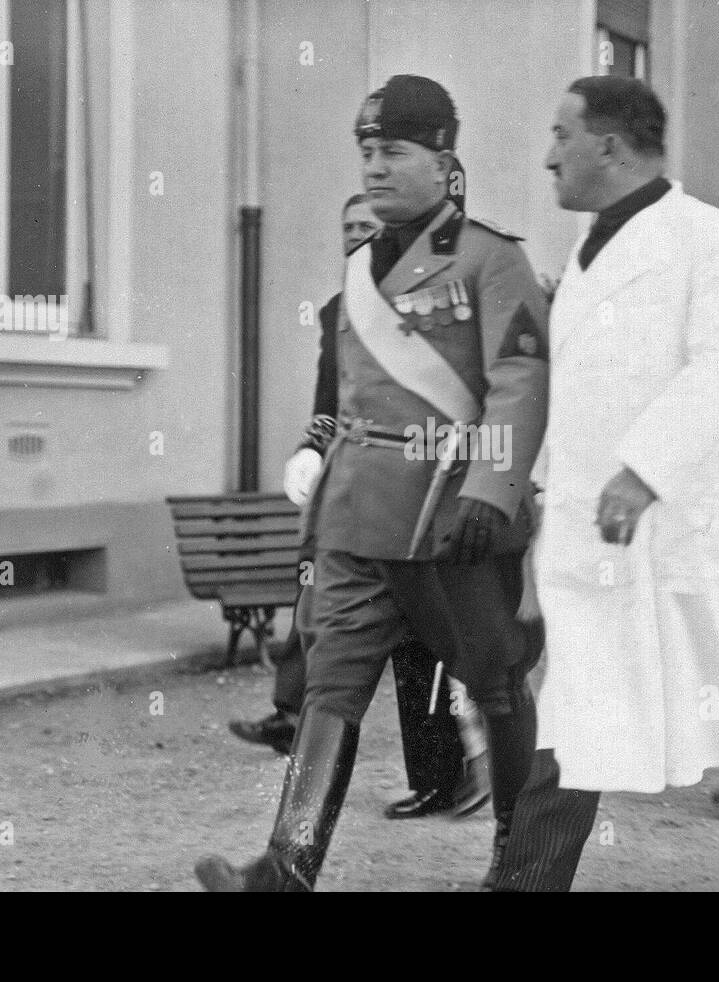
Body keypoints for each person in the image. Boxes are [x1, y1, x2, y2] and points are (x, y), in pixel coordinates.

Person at [490, 76, 719, 893]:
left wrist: (645, 472)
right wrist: (545, 504)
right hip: (601, 538)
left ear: (608, 146)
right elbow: (578, 402)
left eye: (560, 134)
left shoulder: (713, 240)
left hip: (703, 534)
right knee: (576, 725)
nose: (548, 157)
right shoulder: (586, 257)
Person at [195, 75, 548, 892]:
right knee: (331, 687)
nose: (376, 166)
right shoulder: (357, 272)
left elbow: (520, 382)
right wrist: (320, 479)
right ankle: (287, 866)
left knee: (495, 683)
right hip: (359, 519)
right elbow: (348, 402)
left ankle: (519, 858)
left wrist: (491, 493)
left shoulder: (493, 260)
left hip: (449, 516)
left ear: (443, 161)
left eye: (394, 150)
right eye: (367, 151)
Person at [229, 192, 487, 821]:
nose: (356, 240)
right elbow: (331, 403)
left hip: (429, 497)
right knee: (346, 637)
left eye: (367, 228)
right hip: (358, 498)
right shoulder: (340, 310)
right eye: (347, 229)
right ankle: (298, 828)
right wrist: (309, 450)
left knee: (434, 648)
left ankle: (475, 779)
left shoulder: (444, 302)